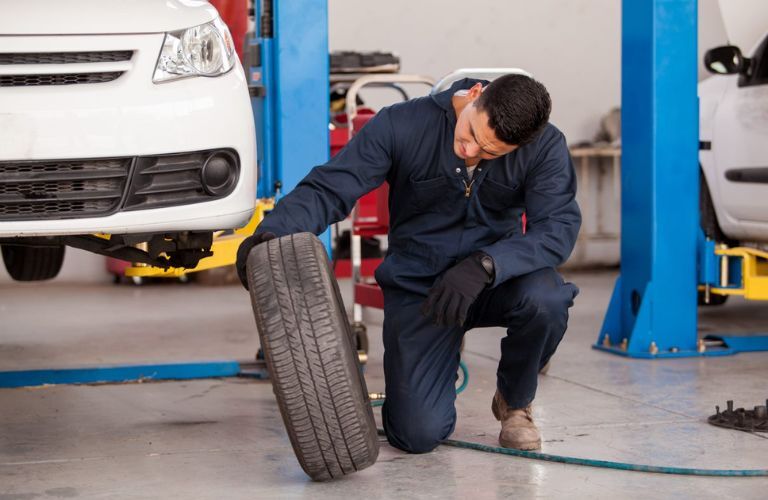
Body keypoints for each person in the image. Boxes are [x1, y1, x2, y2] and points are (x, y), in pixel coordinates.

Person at [236, 74, 581, 453]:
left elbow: (556, 230)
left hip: (492, 281)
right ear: (475, 95)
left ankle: (514, 401)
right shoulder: (401, 124)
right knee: (416, 435)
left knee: (547, 299)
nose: (470, 152)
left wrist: (488, 264)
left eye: (489, 152)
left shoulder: (545, 146)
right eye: (470, 135)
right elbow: (332, 187)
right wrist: (272, 234)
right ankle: (439, 357)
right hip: (423, 287)